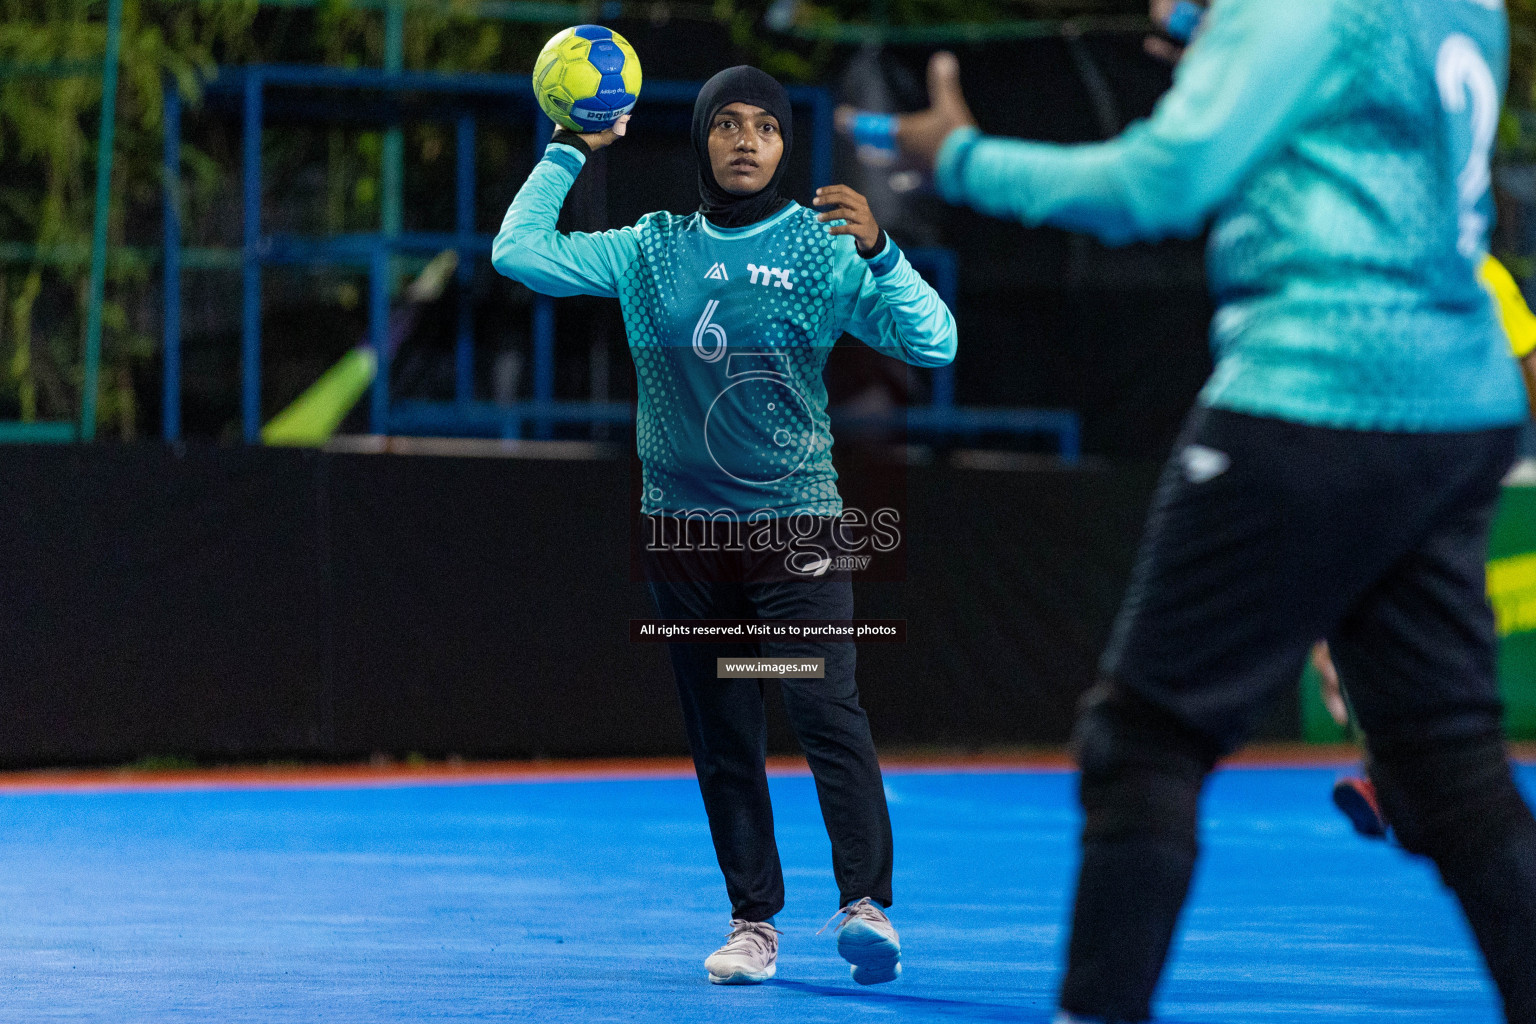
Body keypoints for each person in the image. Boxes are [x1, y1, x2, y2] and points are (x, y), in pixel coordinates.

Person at [863, 0, 1536, 1020]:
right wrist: (1223, 49)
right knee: (1451, 766)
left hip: (1317, 392)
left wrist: (960, 155)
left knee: (1144, 742)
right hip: (1456, 407)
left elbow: (1156, 185)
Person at [491, 65, 957, 987]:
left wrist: (885, 256)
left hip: (799, 532)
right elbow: (517, 250)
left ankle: (865, 906)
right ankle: (754, 923)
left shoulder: (825, 248)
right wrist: (569, 147)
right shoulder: (650, 247)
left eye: (767, 129)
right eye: (727, 125)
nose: (747, 141)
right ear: (702, 140)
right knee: (724, 725)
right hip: (686, 538)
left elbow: (935, 341)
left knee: (825, 709)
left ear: (786, 147)